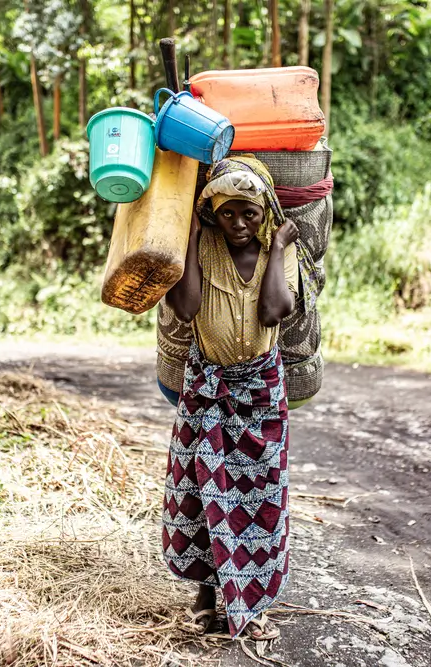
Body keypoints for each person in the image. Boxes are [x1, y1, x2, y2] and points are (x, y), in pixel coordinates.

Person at [161, 156, 299, 641]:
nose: (239, 224)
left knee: (259, 500)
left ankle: (250, 606)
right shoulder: (206, 247)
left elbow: (273, 311)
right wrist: (193, 238)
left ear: (266, 212)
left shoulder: (277, 251)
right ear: (212, 215)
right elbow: (186, 306)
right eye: (226, 214)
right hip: (207, 389)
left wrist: (278, 247)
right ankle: (204, 598)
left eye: (250, 213)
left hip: (259, 393)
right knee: (199, 493)